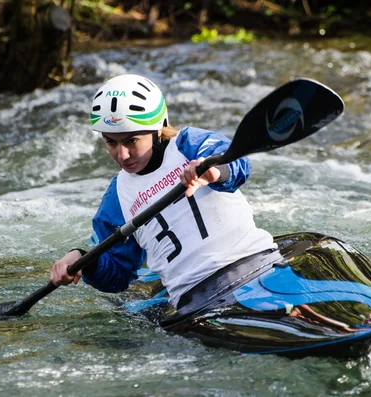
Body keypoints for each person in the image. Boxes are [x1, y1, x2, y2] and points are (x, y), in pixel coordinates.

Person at [50, 74, 279, 309]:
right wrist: (83, 261)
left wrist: (214, 172)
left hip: (259, 261)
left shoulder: (190, 145)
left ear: (158, 129)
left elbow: (239, 165)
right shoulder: (116, 199)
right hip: (195, 297)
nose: (122, 155)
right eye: (111, 142)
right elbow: (118, 276)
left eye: (131, 141)